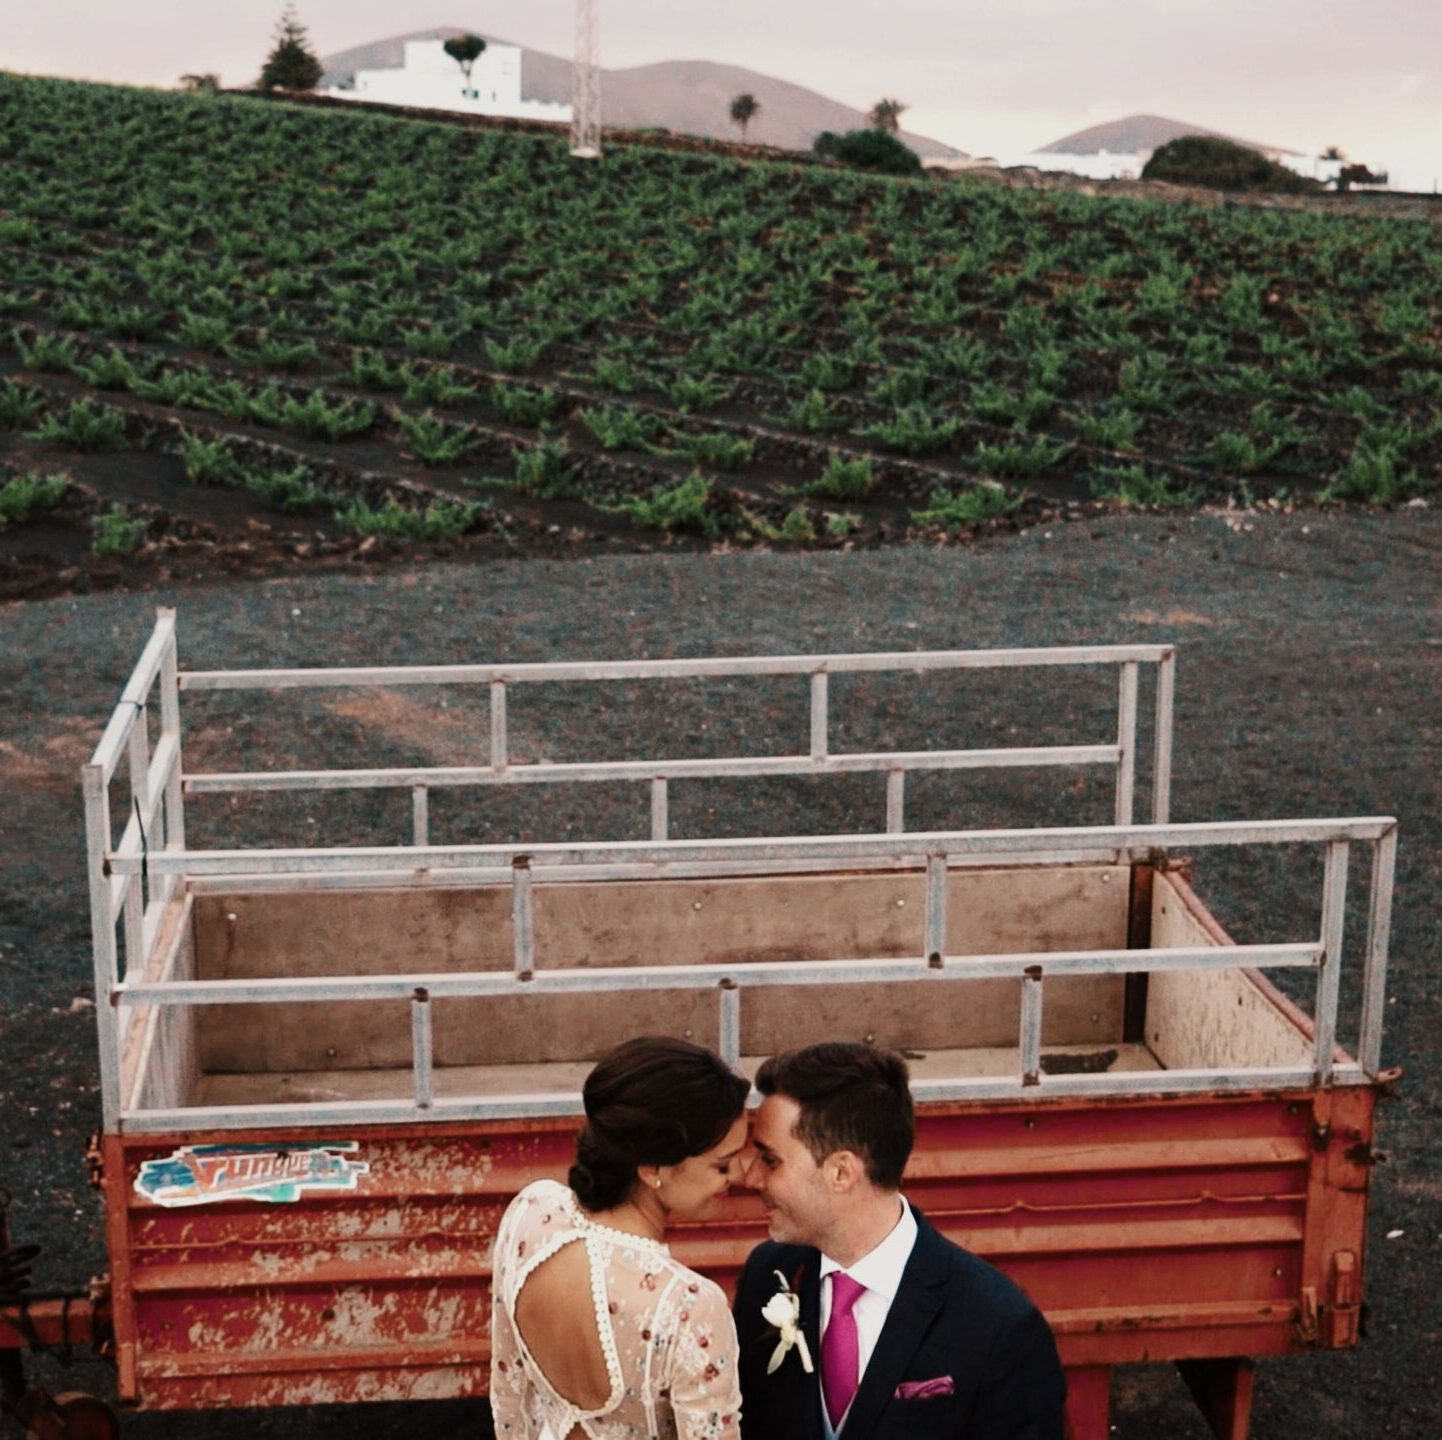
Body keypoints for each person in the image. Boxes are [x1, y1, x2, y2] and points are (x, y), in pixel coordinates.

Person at [734, 1042, 1065, 1440]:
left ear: (841, 1172)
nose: (749, 1178)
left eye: (770, 1160)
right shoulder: (767, 1276)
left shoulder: (999, 1326)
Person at [490, 1036, 751, 1440]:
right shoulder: (689, 1304)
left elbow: (509, 1397)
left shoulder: (531, 1212)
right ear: (652, 1169)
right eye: (722, 1166)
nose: (740, 1175)